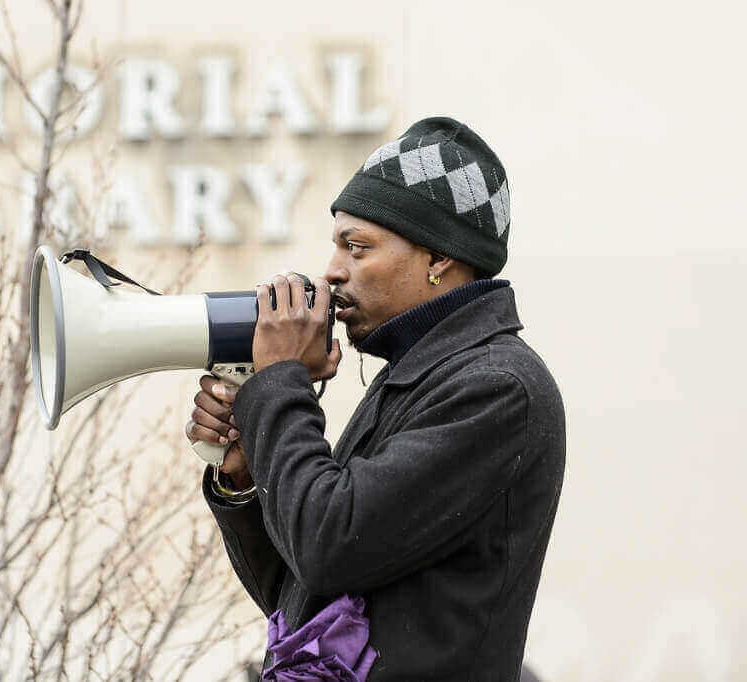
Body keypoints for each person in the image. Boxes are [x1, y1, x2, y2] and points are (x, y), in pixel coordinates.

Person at [186, 116, 565, 681]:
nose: (332, 271)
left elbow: (326, 543)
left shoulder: (495, 388)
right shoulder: (417, 375)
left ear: (439, 257)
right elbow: (304, 594)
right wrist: (245, 476)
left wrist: (281, 381)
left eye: (356, 247)